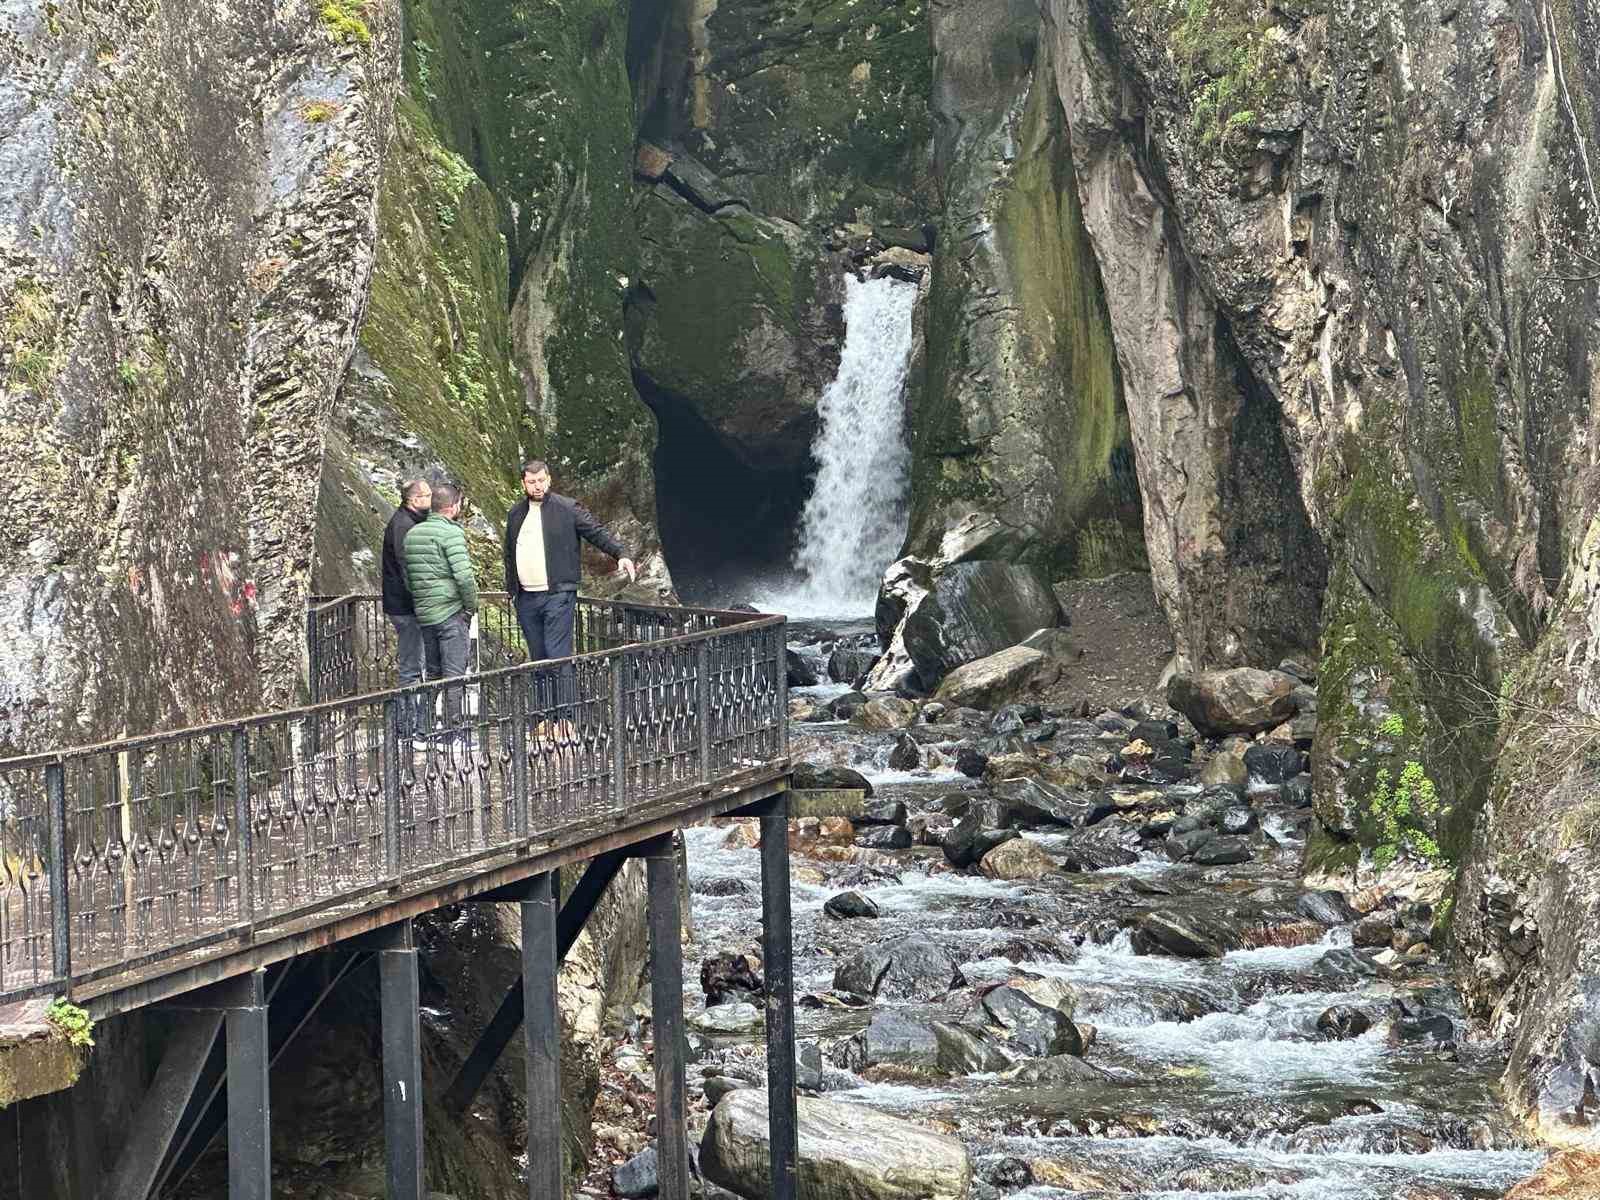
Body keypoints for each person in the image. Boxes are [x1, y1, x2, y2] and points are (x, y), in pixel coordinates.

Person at [503, 459, 636, 661]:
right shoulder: (516, 513)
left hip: (558, 594)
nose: (537, 486)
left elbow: (595, 531)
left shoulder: (567, 508)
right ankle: (543, 695)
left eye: (541, 480)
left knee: (556, 656)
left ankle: (564, 694)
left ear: (549, 480)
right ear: (523, 484)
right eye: (531, 482)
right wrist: (512, 589)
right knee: (538, 660)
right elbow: (509, 553)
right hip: (526, 598)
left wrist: (621, 553)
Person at [402, 482, 479, 738]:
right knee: (454, 676)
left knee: (433, 674)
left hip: (425, 615)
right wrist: (470, 607)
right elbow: (465, 578)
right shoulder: (451, 534)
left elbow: (408, 578)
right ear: (453, 506)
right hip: (450, 613)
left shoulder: (413, 534)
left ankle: (422, 731)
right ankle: (453, 733)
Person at [381, 478, 431, 735]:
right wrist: (421, 597)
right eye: (426, 496)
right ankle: (406, 726)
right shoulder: (403, 525)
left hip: (405, 604)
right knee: (412, 666)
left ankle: (412, 723)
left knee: (415, 664)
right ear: (414, 499)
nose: (430, 500)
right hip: (405, 606)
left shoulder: (409, 521)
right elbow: (406, 565)